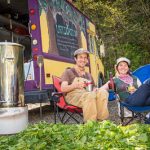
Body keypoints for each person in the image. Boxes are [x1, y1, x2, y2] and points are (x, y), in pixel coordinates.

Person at [61, 48, 109, 122]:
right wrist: (75, 85)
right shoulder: (68, 72)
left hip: (87, 95)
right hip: (73, 96)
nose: (83, 60)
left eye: (85, 58)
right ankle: (90, 125)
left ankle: (101, 122)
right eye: (80, 57)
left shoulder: (88, 75)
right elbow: (63, 88)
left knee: (103, 92)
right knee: (89, 95)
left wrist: (95, 89)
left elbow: (93, 88)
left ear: (87, 60)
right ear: (75, 59)